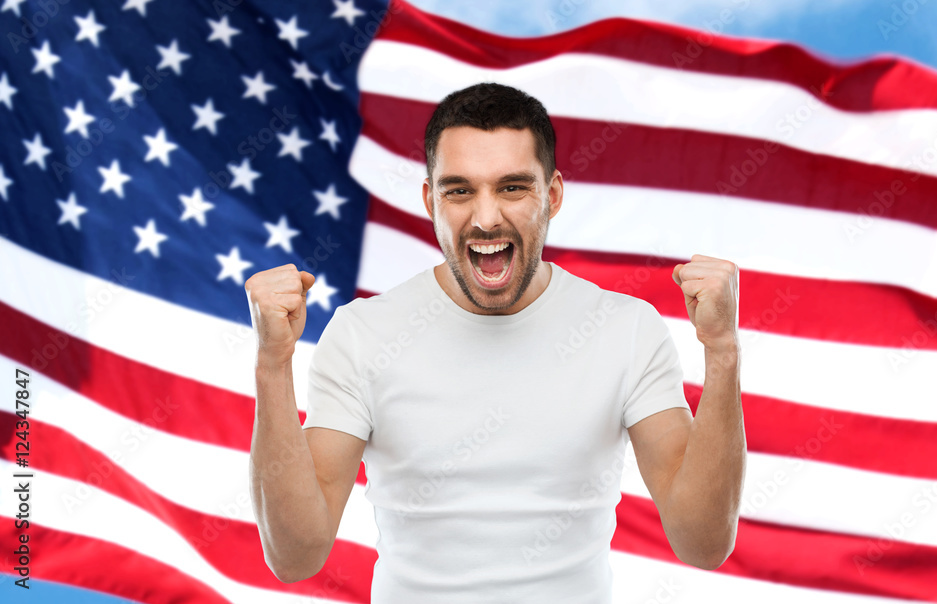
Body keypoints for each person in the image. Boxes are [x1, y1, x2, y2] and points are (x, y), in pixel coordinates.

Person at [244, 82, 745, 603]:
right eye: (459, 190)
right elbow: (295, 557)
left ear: (551, 196)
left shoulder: (625, 329)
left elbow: (703, 543)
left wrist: (723, 351)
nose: (486, 218)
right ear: (430, 199)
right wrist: (272, 364)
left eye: (512, 188)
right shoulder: (363, 334)